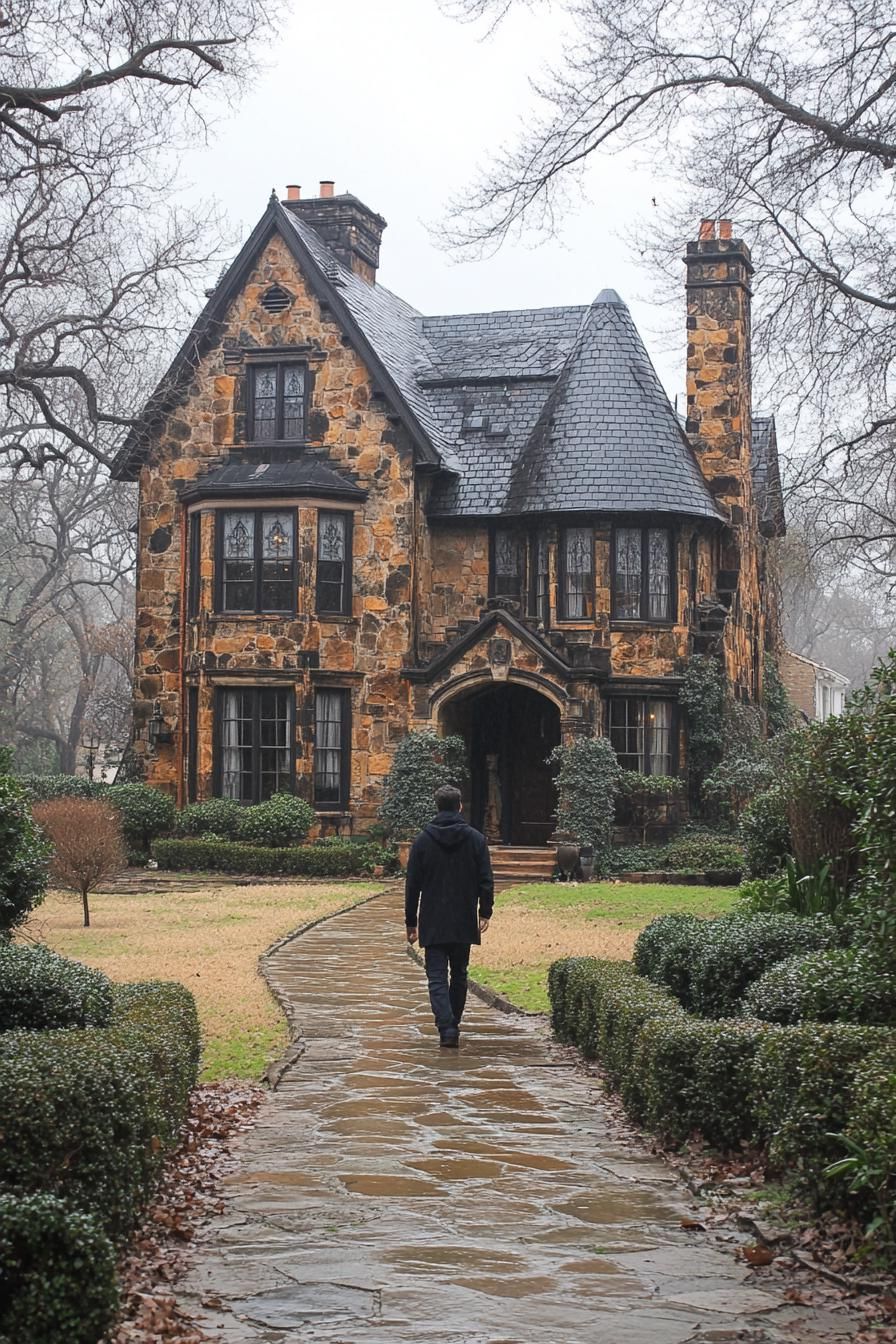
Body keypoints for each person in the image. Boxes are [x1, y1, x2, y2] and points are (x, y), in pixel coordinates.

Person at [404, 784, 494, 1048]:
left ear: (437, 806)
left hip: (433, 918)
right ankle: (453, 1023)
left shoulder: (422, 842)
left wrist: (411, 922)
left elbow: (412, 885)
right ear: (460, 807)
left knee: (436, 976)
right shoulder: (476, 840)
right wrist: (484, 911)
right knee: (459, 974)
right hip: (463, 916)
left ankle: (446, 1027)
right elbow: (485, 879)